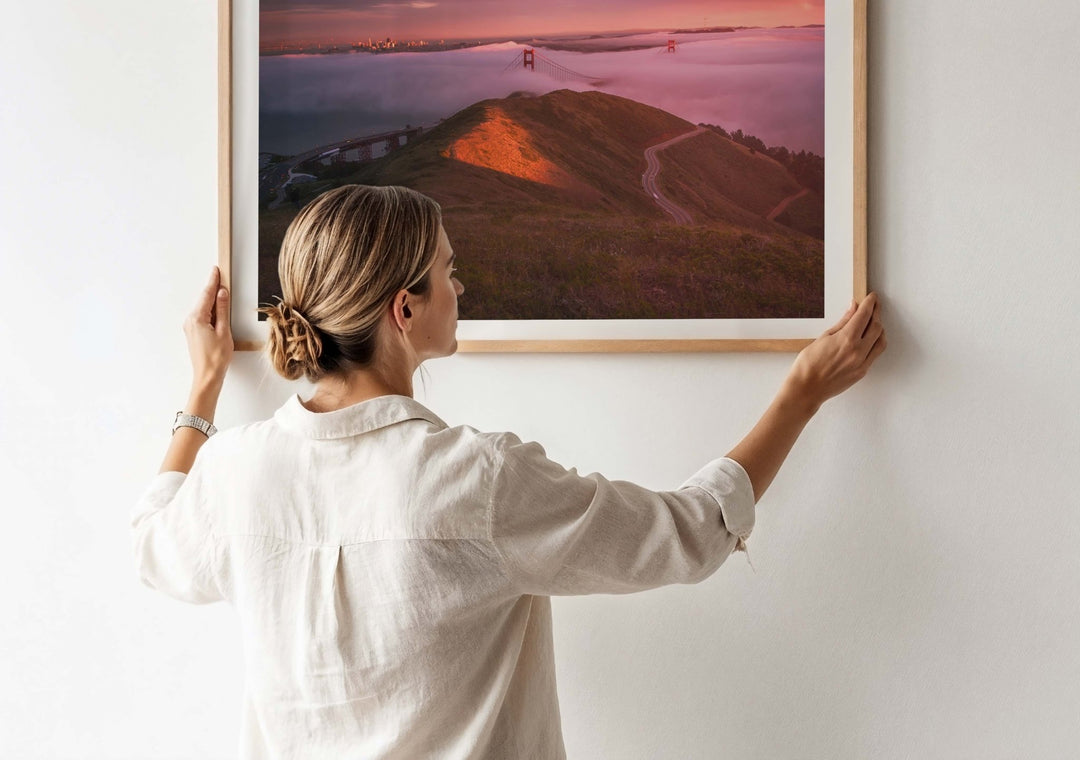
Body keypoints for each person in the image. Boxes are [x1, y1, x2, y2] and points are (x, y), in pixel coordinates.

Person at [131, 184, 886, 760]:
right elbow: (688, 534)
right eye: (448, 272)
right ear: (404, 310)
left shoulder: (236, 470)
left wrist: (201, 393)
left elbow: (154, 546)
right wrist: (801, 394)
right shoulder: (473, 479)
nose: (460, 289)